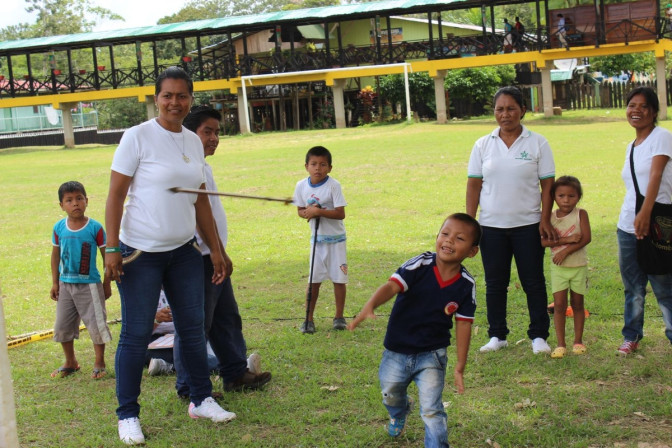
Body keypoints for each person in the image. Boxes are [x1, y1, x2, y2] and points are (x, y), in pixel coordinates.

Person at [105, 66, 235, 446]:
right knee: (134, 335)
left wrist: (215, 250)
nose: (174, 102)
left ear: (190, 99)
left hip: (183, 252)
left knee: (192, 329)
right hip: (140, 253)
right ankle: (128, 415)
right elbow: (115, 196)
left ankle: (201, 399)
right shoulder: (137, 137)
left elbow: (200, 202)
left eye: (182, 96)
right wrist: (111, 248)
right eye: (167, 95)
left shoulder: (193, 142)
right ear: (156, 98)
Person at [348, 213, 481, 447]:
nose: (449, 240)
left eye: (459, 238)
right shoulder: (420, 264)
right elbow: (392, 286)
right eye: (445, 234)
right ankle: (399, 411)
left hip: (432, 354)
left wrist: (460, 365)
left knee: (432, 410)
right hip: (396, 350)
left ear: (472, 251)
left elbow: (463, 324)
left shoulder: (465, 284)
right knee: (390, 394)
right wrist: (371, 305)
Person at [174, 105, 271, 394]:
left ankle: (235, 373)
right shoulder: (185, 168)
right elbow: (197, 217)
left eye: (217, 132)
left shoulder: (203, 166)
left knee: (226, 317)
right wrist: (216, 252)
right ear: (190, 134)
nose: (214, 138)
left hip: (213, 255)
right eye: (208, 132)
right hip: (198, 257)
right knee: (196, 324)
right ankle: (189, 386)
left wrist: (220, 252)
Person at [466, 86, 556, 355]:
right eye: (499, 109)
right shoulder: (482, 144)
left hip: (528, 226)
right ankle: (497, 335)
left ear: (523, 110)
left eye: (511, 109)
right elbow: (474, 185)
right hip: (491, 227)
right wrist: (470, 224)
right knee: (495, 283)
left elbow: (548, 186)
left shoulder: (538, 143)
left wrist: (544, 219)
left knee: (533, 282)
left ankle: (538, 336)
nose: (505, 114)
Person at [616, 86, 672, 355]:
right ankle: (632, 335)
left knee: (663, 285)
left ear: (654, 111)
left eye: (643, 106)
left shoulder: (662, 137)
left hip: (655, 223)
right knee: (633, 287)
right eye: (631, 105)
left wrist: (646, 214)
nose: (636, 110)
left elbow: (656, 176)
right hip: (627, 225)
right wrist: (636, 216)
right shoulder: (631, 146)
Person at [50, 181, 112, 379]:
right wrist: (55, 282)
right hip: (65, 285)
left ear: (87, 200)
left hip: (90, 285)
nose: (75, 203)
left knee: (96, 323)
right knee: (63, 325)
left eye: (79, 198)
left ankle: (99, 362)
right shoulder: (59, 228)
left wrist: (106, 283)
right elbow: (55, 256)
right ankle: (70, 362)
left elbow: (107, 257)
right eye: (69, 200)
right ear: (61, 205)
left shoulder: (95, 228)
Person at [293, 146, 348, 334]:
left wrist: (319, 211)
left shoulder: (334, 186)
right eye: (314, 164)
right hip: (317, 241)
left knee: (339, 279)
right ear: (306, 166)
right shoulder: (301, 186)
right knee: (313, 280)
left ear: (330, 168)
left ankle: (339, 317)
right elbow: (300, 210)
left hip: (337, 241)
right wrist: (309, 212)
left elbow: (340, 213)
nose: (318, 168)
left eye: (323, 164)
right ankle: (308, 319)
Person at [541, 176, 592, 359]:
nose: (566, 200)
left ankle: (578, 341)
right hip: (559, 268)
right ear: (554, 197)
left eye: (571, 196)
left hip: (578, 266)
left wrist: (567, 251)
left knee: (578, 304)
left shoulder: (581, 214)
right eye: (561, 196)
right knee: (560, 305)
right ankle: (561, 344)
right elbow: (543, 241)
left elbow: (586, 238)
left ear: (578, 197)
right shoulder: (550, 217)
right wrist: (567, 241)